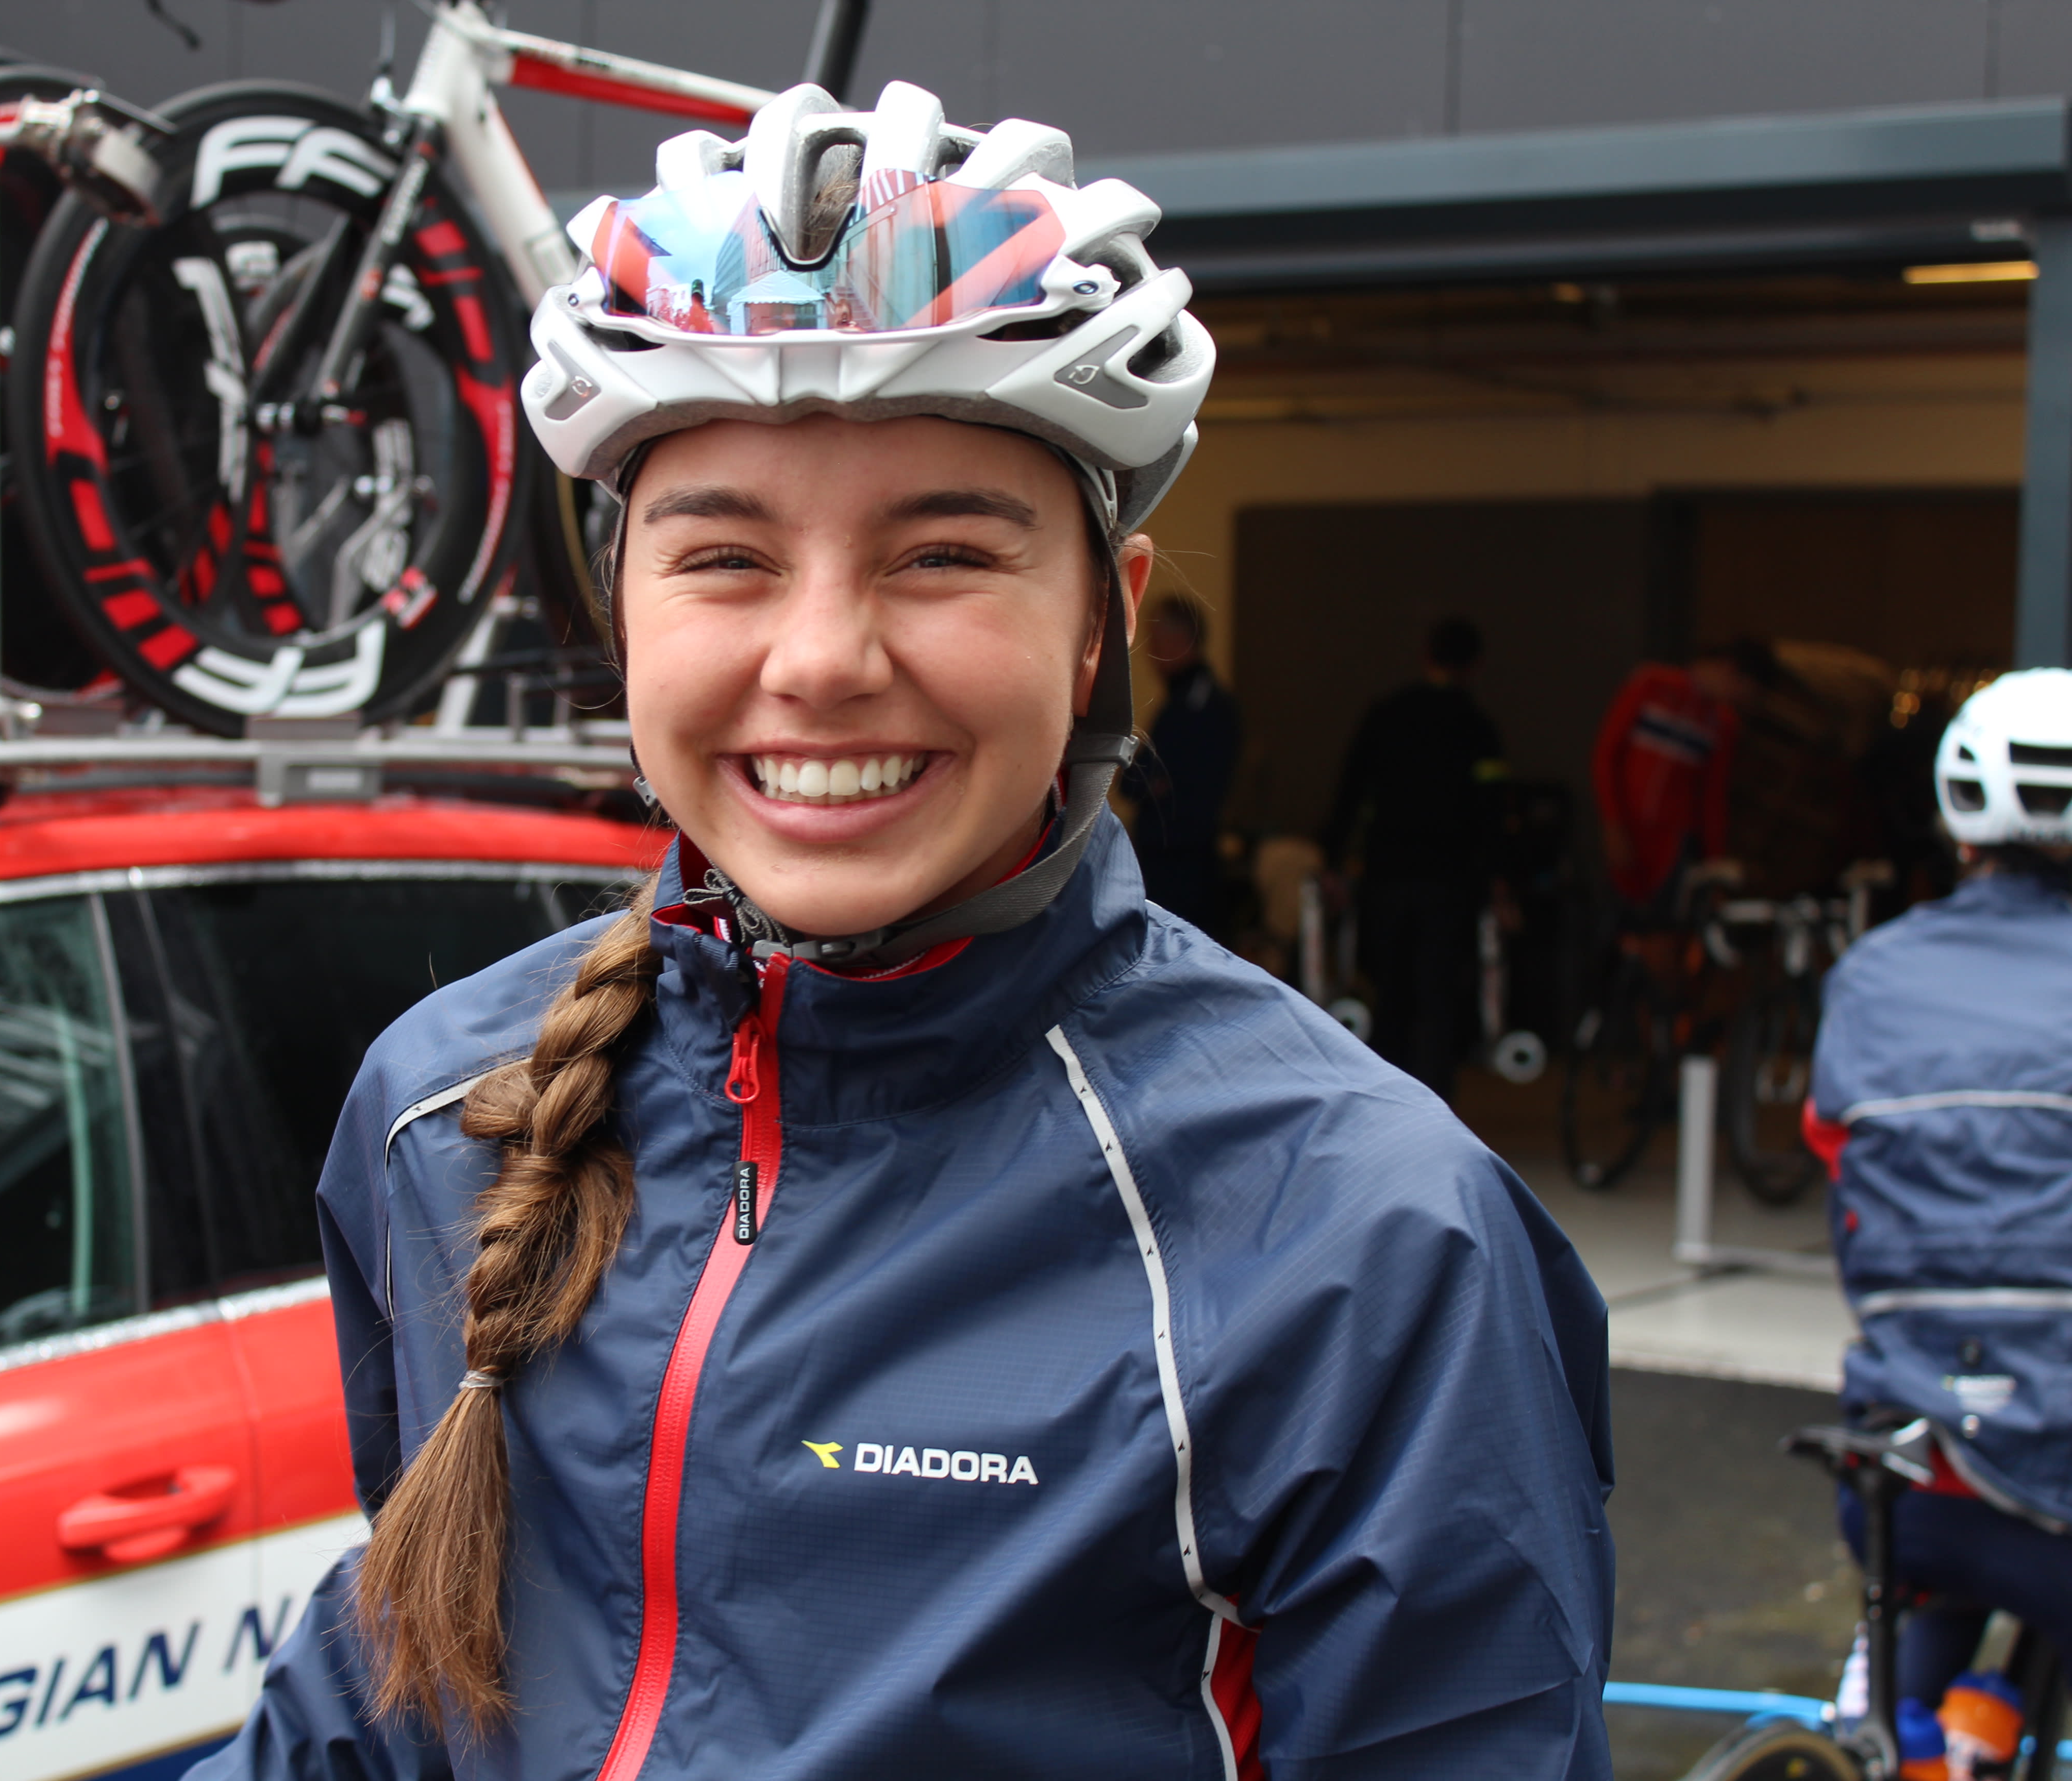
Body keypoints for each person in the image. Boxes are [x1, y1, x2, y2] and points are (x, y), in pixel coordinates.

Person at [196, 80, 1614, 1781]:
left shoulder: (1362, 1231)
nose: (819, 661)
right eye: (724, 558)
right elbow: (392, 1692)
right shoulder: (441, 1103)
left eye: (941, 553)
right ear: (621, 611)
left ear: (1103, 626)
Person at [1804, 668, 2072, 1738]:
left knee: (1941, 1578)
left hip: (1908, 1471)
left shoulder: (1870, 976)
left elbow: (1840, 1163)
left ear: (1959, 823)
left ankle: (1875, 1732)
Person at [1318, 617, 1509, 1103]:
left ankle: (1387, 1101)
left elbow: (1350, 790)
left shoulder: (1387, 715)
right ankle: (1435, 1106)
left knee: (1390, 993)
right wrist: (1496, 879)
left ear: (1426, 656)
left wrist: (1333, 860)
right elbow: (1492, 811)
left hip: (1387, 875)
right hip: (1448, 881)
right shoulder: (1476, 726)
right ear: (1477, 666)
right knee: (1438, 999)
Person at [1589, 641, 1777, 909]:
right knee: (1615, 919)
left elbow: (1713, 799)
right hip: (1628, 830)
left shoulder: (1723, 723)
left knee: (1665, 924)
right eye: (1743, 692)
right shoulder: (1651, 684)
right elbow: (1607, 755)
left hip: (1673, 846)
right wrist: (1612, 823)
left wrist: (1714, 867)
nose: (1739, 702)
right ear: (1730, 671)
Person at [1122, 587, 1240, 932]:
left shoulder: (1203, 706)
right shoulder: (1180, 702)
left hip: (1184, 869)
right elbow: (1133, 783)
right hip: (1165, 860)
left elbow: (1190, 792)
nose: (1151, 654)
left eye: (1157, 641)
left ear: (1182, 641)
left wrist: (1157, 784)